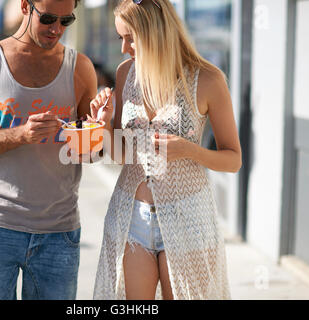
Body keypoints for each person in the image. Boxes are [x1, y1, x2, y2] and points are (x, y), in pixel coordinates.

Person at [90, 0, 242, 300]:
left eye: (130, 38)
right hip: (130, 216)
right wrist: (105, 126)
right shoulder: (125, 74)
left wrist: (189, 150)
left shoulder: (208, 80)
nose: (124, 48)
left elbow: (233, 160)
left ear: (156, 33)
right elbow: (122, 154)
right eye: (120, 37)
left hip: (189, 217)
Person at [0, 0, 97, 300]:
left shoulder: (80, 68)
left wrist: (100, 129)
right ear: (24, 6)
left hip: (59, 231)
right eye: (47, 18)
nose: (56, 29)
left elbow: (91, 153)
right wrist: (20, 134)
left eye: (65, 21)